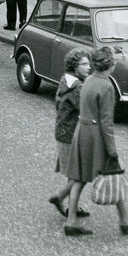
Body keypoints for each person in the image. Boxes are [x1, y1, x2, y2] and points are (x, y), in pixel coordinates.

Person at [63, 45, 128, 236]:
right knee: (112, 173)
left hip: (81, 131)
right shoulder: (107, 86)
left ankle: (71, 221)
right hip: (95, 136)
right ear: (111, 64)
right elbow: (106, 123)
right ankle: (124, 220)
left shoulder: (89, 79)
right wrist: (112, 150)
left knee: (79, 178)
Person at [49, 48, 91, 220]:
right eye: (84, 64)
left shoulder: (66, 80)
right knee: (81, 174)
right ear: (75, 67)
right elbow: (87, 109)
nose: (89, 67)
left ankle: (71, 207)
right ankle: (59, 198)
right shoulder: (77, 88)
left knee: (75, 173)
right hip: (71, 135)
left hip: (63, 132)